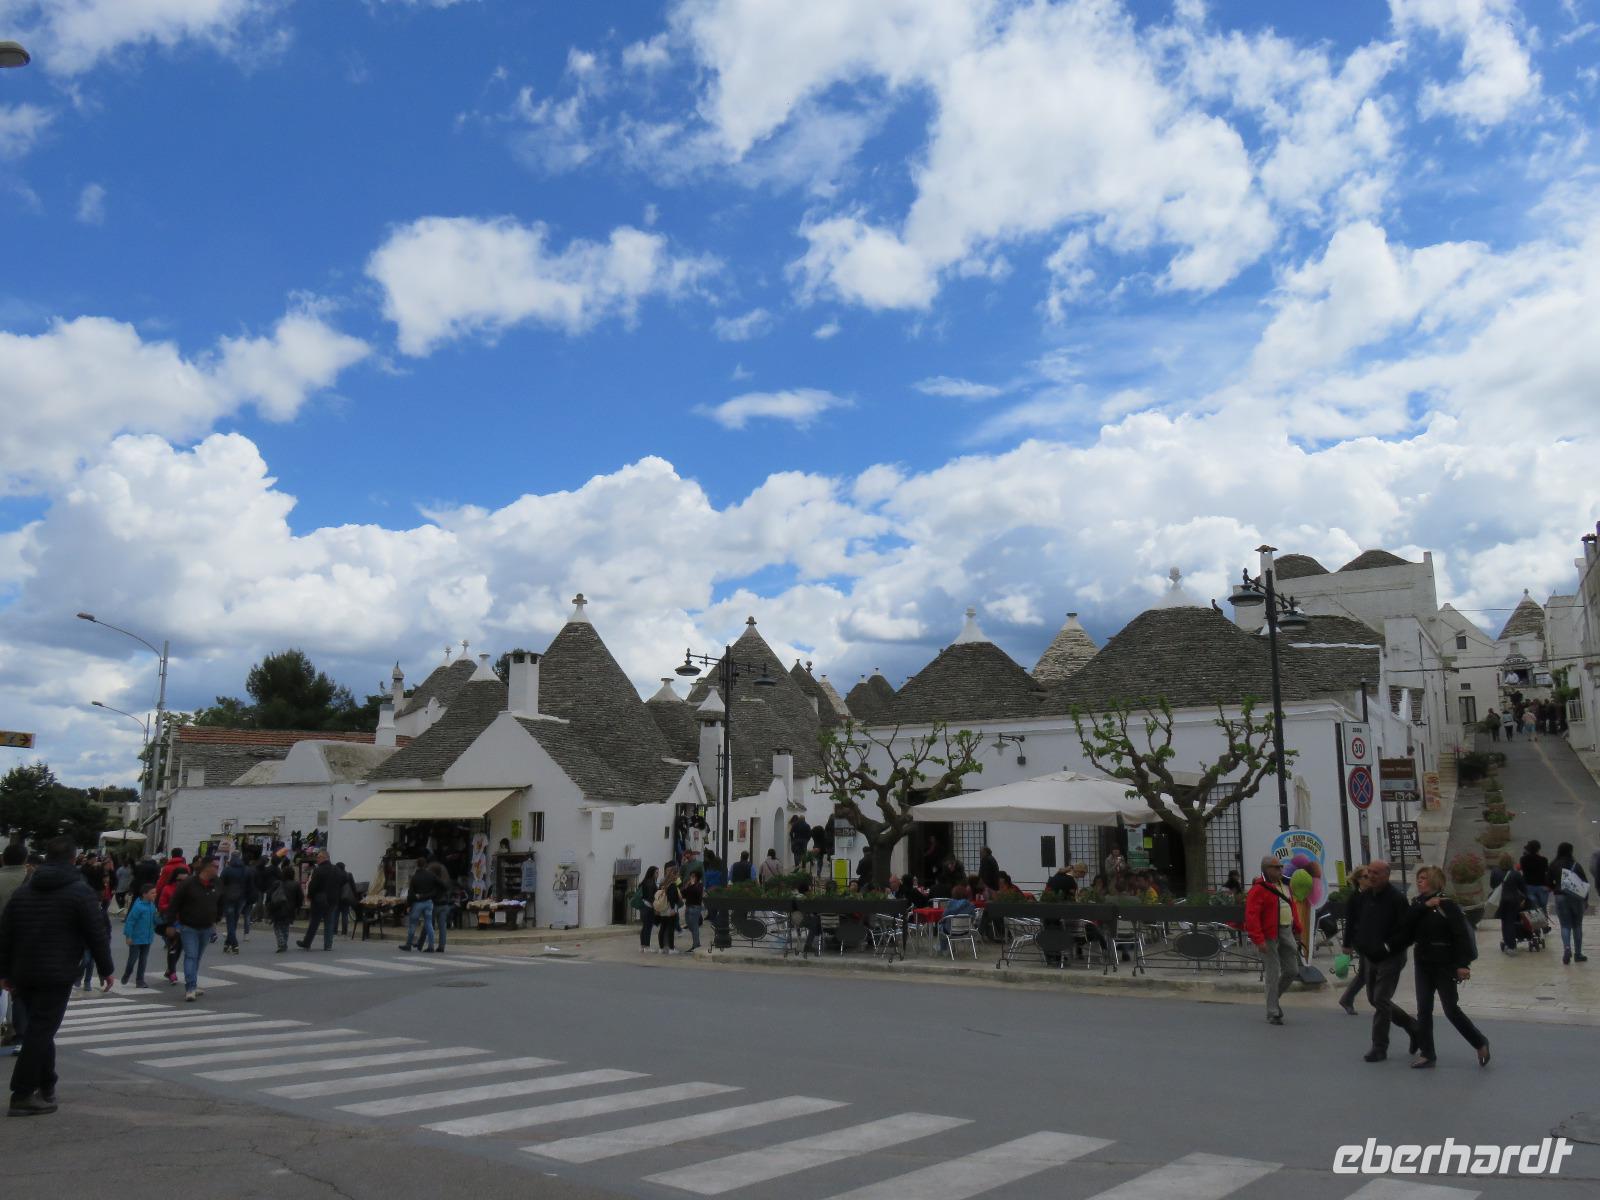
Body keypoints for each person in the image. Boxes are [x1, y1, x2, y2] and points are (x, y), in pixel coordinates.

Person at [0, 837, 114, 1116]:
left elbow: (6, 933)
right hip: (56, 971)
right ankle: (23, 1093)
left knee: (40, 1028)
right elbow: (95, 932)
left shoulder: (25, 891)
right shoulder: (79, 892)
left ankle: (47, 1084)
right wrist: (106, 969)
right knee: (41, 1030)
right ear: (74, 859)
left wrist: (4, 972)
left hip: (24, 972)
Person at [1393, 865, 1489, 1068]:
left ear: (1435, 881)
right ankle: (1427, 1053)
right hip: (1423, 962)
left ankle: (1479, 1042)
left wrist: (1463, 965)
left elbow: (1460, 935)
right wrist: (1424, 906)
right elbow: (1405, 925)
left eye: (1424, 878)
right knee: (1423, 1009)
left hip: (1444, 963)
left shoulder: (1447, 905)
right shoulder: (1417, 904)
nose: (1419, 881)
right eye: (1418, 878)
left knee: (1450, 1009)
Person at [1346, 861, 1420, 1061]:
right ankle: (1413, 1027)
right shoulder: (1365, 897)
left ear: (1387, 875)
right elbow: (1355, 920)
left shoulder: (1397, 899)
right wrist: (1354, 943)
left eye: (1376, 873)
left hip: (1391, 957)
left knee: (1380, 999)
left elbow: (1407, 932)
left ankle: (1379, 1047)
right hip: (1370, 956)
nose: (1371, 876)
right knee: (1374, 998)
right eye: (1369, 872)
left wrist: (1388, 946)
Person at [1244, 855, 1302, 1025]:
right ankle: (1273, 1011)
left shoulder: (1285, 886)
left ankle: (1273, 1000)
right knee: (1272, 972)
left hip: (1285, 931)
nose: (1280, 870)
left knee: (1292, 970)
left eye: (1281, 867)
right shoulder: (1258, 889)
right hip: (1269, 934)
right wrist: (1258, 939)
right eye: (1276, 867)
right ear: (1267, 869)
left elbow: (1291, 908)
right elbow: (1252, 916)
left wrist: (1297, 929)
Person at [171, 858, 220, 1003]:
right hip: (189, 926)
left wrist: (217, 917)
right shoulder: (189, 884)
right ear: (206, 868)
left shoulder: (216, 883)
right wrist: (171, 923)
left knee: (197, 956)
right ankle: (190, 987)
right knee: (191, 955)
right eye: (215, 866)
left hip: (206, 926)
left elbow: (221, 899)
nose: (217, 869)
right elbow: (175, 902)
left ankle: (193, 982)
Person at [1336, 865, 1371, 1015]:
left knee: (1364, 972)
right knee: (1369, 970)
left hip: (1373, 937)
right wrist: (1346, 944)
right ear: (1358, 880)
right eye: (1365, 876)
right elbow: (1349, 922)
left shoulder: (1375, 894)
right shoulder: (1354, 898)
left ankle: (1347, 998)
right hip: (1360, 939)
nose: (1369, 878)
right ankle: (1379, 1000)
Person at [1549, 842, 1589, 964]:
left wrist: (1556, 887)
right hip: (1576, 898)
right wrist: (1585, 900)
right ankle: (1578, 953)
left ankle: (1567, 948)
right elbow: (1584, 883)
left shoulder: (1554, 864)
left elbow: (1548, 881)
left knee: (1565, 925)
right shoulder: (1576, 865)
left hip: (1560, 896)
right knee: (1577, 925)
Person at [300, 851, 342, 951]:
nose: (317, 860)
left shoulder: (319, 870)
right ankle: (328, 945)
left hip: (319, 900)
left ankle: (307, 942)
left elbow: (313, 885)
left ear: (324, 858)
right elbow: (342, 881)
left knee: (314, 922)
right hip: (332, 900)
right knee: (329, 923)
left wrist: (309, 896)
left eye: (318, 858)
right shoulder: (336, 869)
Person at [119, 882, 157, 987]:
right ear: (144, 894)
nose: (155, 895)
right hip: (136, 938)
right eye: (152, 893)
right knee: (133, 959)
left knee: (143, 960)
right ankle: (127, 973)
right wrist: (128, 936)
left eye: (155, 893)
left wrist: (159, 915)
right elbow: (130, 922)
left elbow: (156, 920)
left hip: (147, 938)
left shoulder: (152, 906)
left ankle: (140, 980)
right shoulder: (138, 907)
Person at [155, 865, 188, 984]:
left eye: (185, 880)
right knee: (173, 946)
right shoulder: (168, 888)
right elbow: (161, 905)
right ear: (174, 879)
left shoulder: (190, 889)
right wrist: (174, 907)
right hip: (171, 921)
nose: (181, 883)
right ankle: (172, 971)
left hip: (185, 922)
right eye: (179, 880)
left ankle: (170, 969)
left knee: (180, 947)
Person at [400, 856, 441, 953]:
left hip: (417, 904)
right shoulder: (431, 875)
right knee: (429, 924)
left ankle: (408, 944)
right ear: (425, 865)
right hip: (429, 903)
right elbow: (439, 886)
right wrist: (432, 895)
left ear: (417, 865)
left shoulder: (415, 877)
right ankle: (431, 946)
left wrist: (409, 905)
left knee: (413, 924)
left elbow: (411, 893)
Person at [219, 852, 251, 955]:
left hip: (229, 897)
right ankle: (227, 943)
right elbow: (249, 884)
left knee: (230, 922)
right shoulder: (245, 869)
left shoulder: (227, 869)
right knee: (234, 921)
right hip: (241, 898)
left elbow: (221, 883)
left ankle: (234, 944)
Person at [266, 863, 302, 953]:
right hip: (290, 909)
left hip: (277, 908)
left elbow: (269, 895)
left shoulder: (277, 883)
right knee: (286, 927)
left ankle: (281, 943)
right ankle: (284, 943)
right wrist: (298, 907)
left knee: (277, 927)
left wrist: (268, 905)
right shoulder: (296, 884)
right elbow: (300, 898)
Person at [1493, 860, 1528, 953]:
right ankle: (1511, 946)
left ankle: (1507, 942)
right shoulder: (1516, 874)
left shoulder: (1495, 872)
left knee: (1504, 922)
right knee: (1510, 922)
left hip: (1501, 900)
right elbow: (1523, 888)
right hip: (1513, 900)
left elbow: (1492, 885)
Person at [428, 859, 453, 953]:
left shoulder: (435, 881)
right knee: (442, 927)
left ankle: (430, 945)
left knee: (430, 925)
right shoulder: (446, 880)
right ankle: (441, 946)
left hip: (435, 905)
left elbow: (433, 893)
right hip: (445, 904)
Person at [655, 865, 682, 954]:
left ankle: (661, 948)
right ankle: (671, 948)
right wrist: (673, 909)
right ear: (674, 874)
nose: (678, 876)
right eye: (677, 874)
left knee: (662, 928)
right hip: (670, 910)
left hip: (663, 909)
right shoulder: (672, 885)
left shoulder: (663, 884)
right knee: (670, 929)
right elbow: (672, 898)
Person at [1519, 840, 1550, 914]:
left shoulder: (1523, 859)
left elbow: (1523, 869)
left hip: (1528, 885)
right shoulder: (1544, 860)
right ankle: (1544, 923)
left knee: (1531, 906)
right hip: (1541, 885)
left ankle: (1533, 922)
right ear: (1538, 849)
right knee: (1543, 906)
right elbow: (1546, 871)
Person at [634, 866, 659, 953]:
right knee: (648, 927)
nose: (658, 874)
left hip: (643, 907)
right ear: (652, 873)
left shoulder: (644, 882)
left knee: (644, 927)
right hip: (649, 908)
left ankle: (642, 946)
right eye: (656, 872)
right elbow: (651, 897)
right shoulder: (651, 883)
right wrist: (655, 908)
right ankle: (647, 947)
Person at [681, 870, 705, 953]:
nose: (692, 878)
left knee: (694, 927)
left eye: (693, 876)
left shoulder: (699, 885)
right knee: (689, 925)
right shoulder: (689, 885)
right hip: (688, 906)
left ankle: (696, 945)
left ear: (697, 877)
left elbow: (697, 892)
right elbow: (683, 893)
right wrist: (686, 886)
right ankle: (696, 944)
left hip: (695, 908)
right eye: (691, 876)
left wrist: (692, 885)